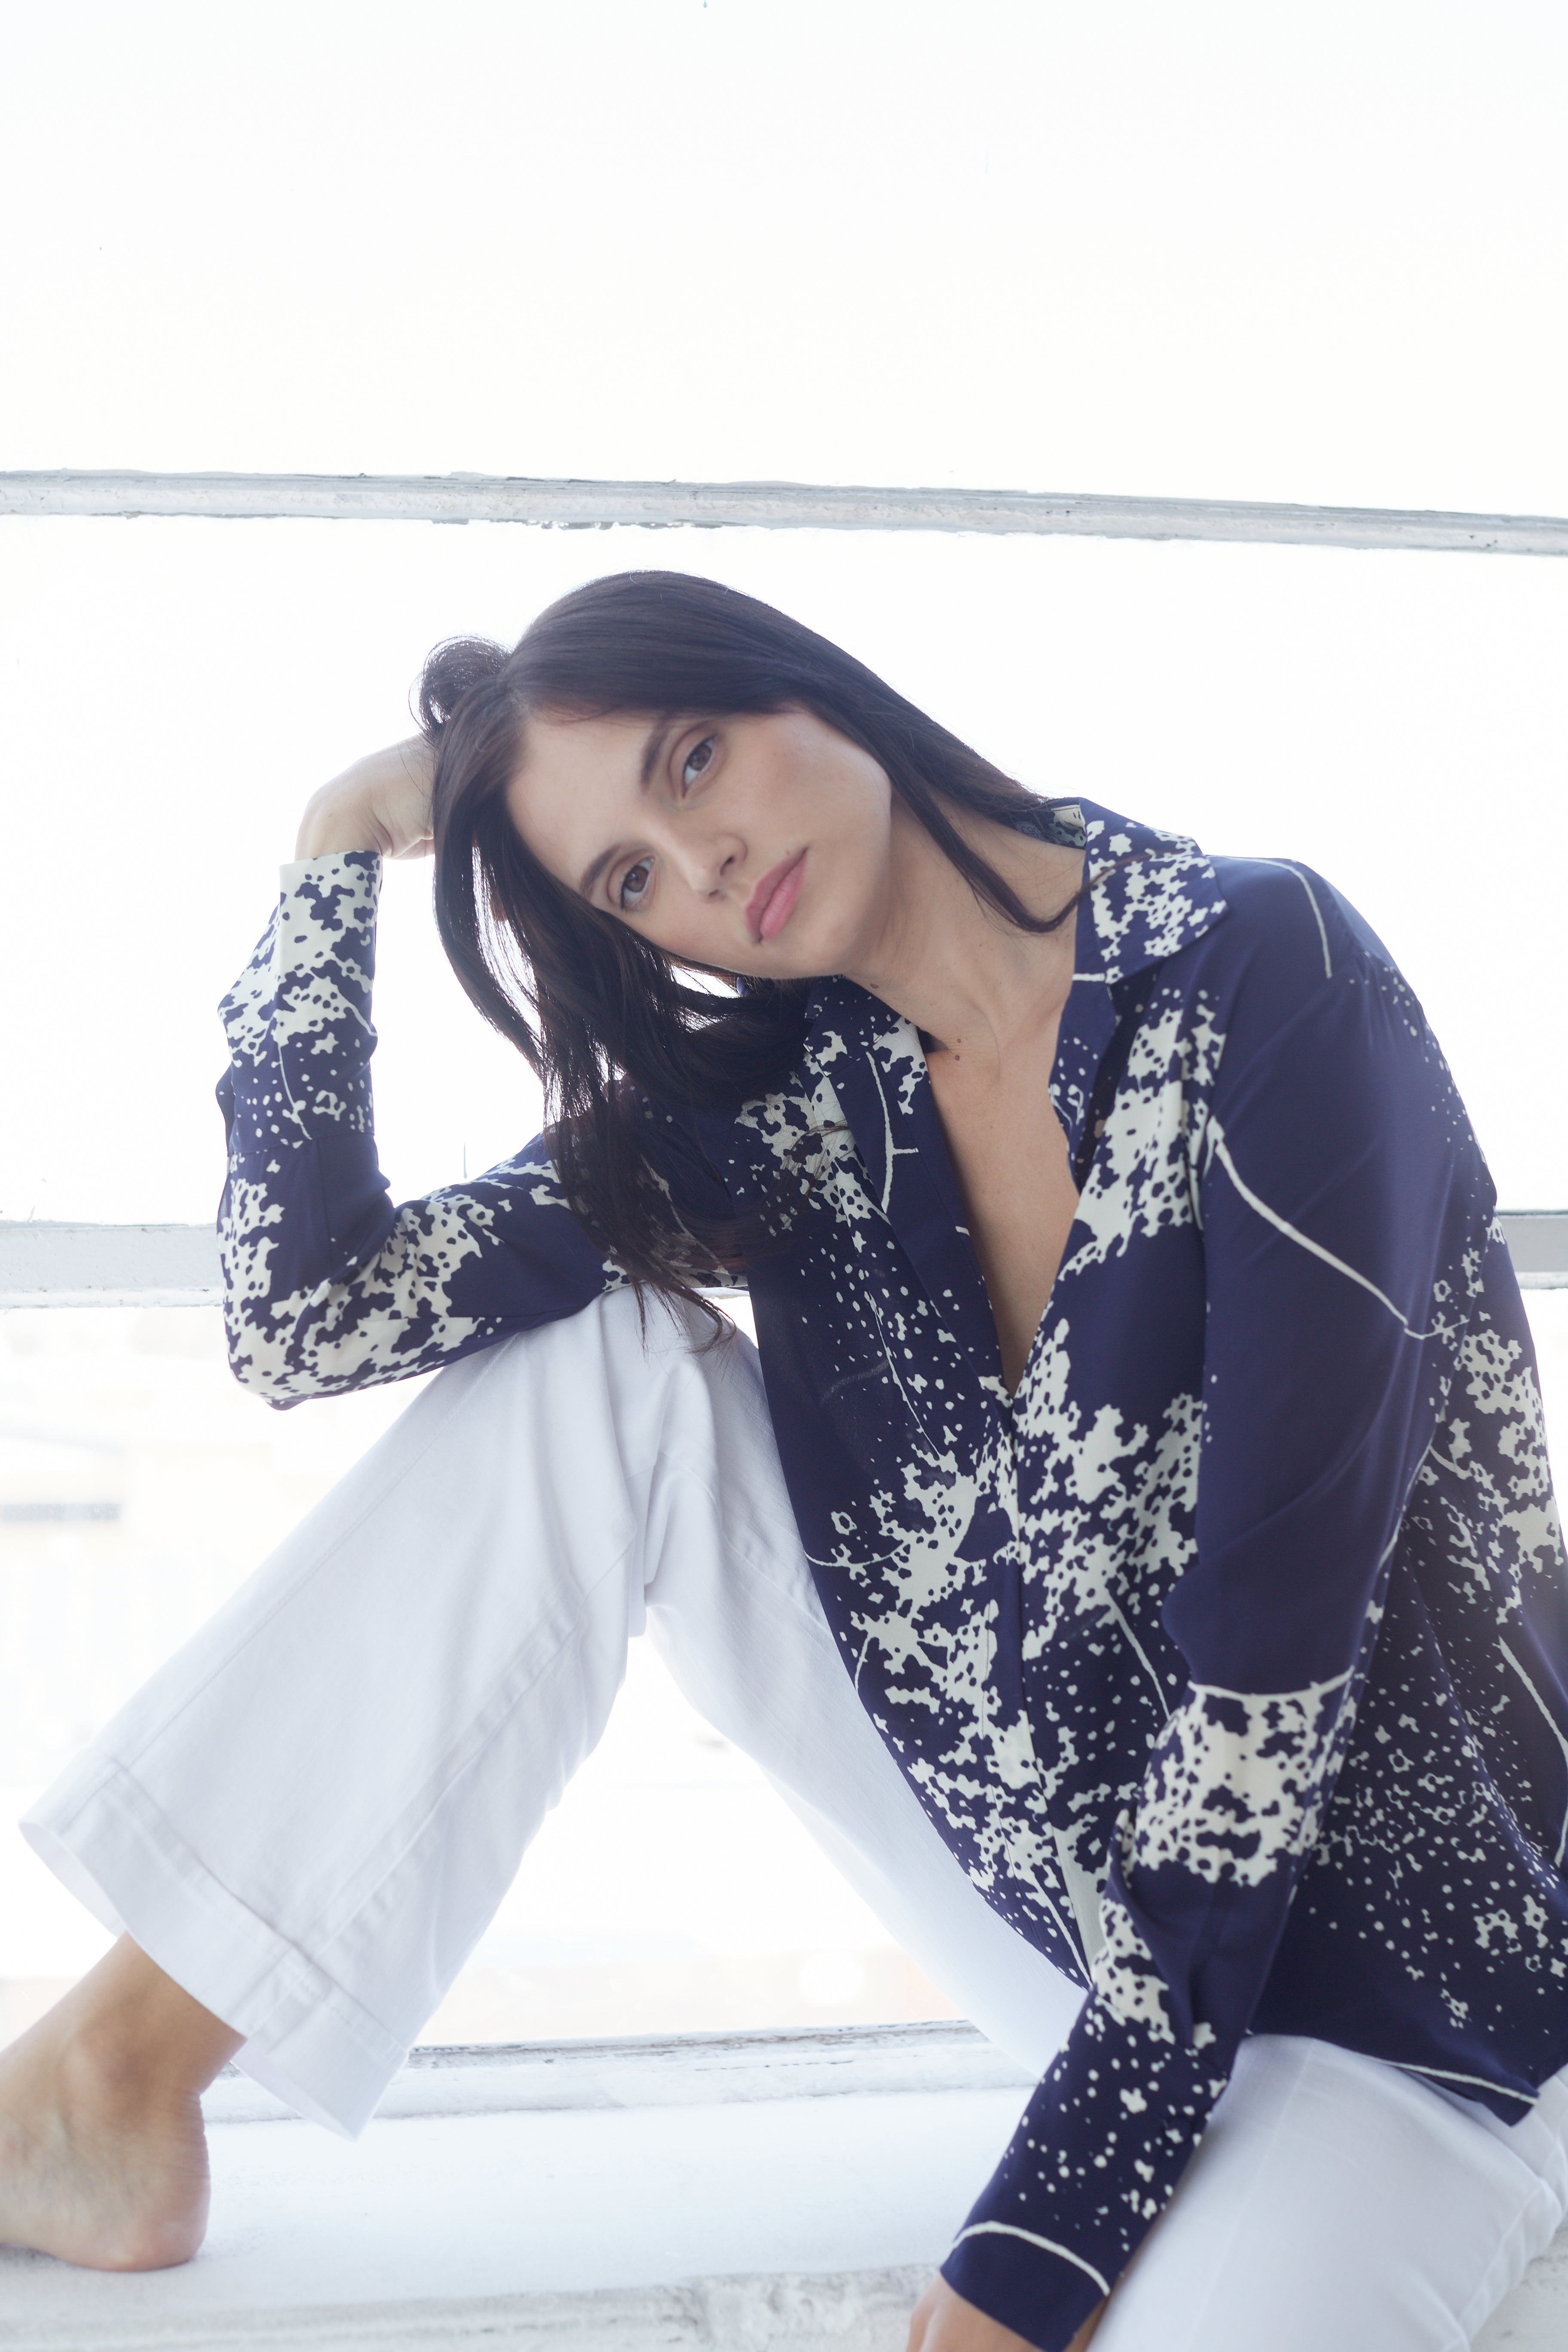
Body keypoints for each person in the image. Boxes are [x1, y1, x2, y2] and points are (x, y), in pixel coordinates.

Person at [1, 570, 1565, 2352]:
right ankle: (113, 2079)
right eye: (632, 880)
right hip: (1063, 1913)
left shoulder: (1267, 975)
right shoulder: (789, 1110)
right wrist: (334, 847)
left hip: (1398, 2006)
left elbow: (1265, 1699)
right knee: (607, 1369)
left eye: (692, 762)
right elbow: (309, 1314)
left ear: (798, 684)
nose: (708, 866)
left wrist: (1040, 2239)